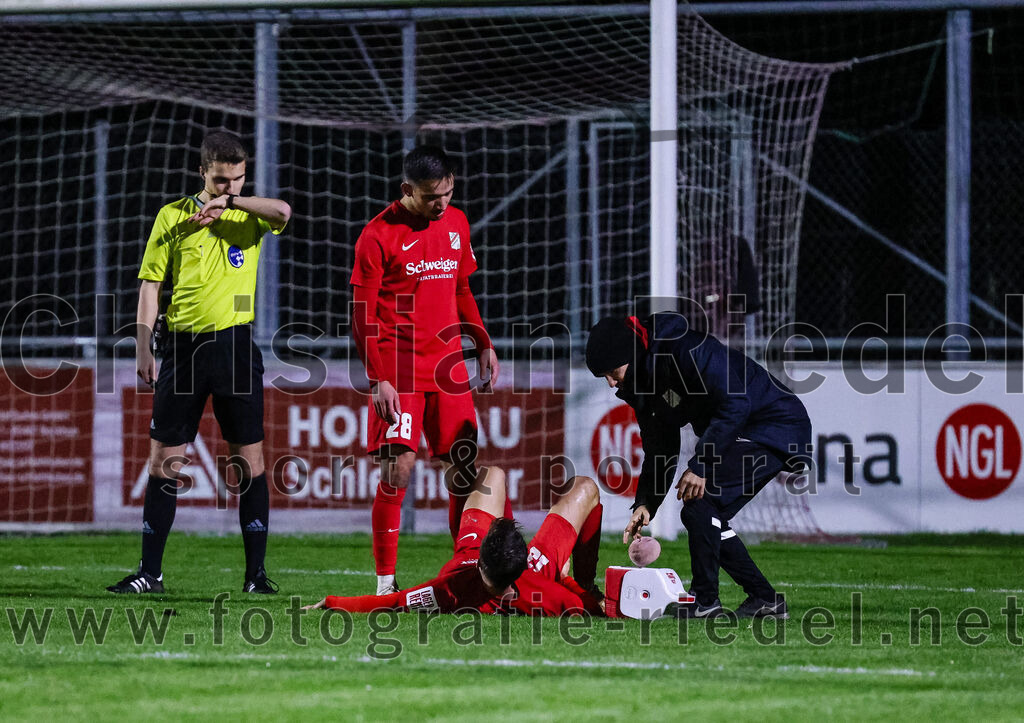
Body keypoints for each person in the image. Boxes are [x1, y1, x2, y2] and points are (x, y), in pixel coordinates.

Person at [107, 130, 291, 595]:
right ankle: (150, 573)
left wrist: (233, 203)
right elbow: (151, 285)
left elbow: (284, 212)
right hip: (183, 351)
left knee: (248, 462)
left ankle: (255, 577)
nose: (228, 186)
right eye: (219, 180)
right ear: (201, 173)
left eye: (237, 179)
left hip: (234, 347)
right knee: (165, 461)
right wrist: (144, 347)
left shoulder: (247, 217)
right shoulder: (173, 216)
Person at [585, 313, 811, 619]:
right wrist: (645, 504)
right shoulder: (643, 380)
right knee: (704, 512)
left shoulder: (686, 350)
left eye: (613, 372)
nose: (612, 384)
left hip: (773, 425)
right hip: (746, 430)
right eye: (605, 378)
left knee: (701, 503)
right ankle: (764, 598)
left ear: (631, 354)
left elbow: (736, 403)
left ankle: (705, 601)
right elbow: (660, 445)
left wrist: (701, 464)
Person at [350, 145, 501, 595]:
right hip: (399, 371)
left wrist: (483, 343)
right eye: (433, 196)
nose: (443, 204)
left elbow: (460, 290)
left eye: (449, 193)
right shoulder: (377, 236)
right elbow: (362, 313)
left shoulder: (455, 223)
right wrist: (378, 378)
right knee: (398, 472)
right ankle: (384, 581)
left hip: (449, 369)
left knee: (464, 468)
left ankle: (466, 569)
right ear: (407, 191)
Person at [303, 468, 605, 617]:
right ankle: (587, 578)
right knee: (587, 487)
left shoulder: (449, 591)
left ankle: (499, 538)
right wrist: (568, 580)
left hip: (469, 550)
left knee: (493, 475)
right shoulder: (541, 593)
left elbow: (392, 602)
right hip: (539, 569)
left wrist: (333, 602)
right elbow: (593, 608)